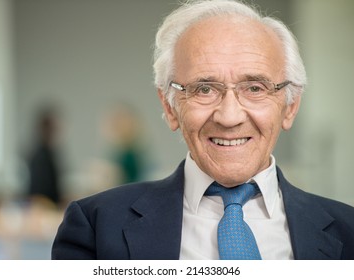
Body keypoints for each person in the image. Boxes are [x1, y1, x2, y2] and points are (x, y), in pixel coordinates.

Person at [52, 0, 354, 260]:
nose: (229, 116)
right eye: (205, 88)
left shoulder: (348, 231)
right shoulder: (96, 227)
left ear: (290, 106)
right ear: (170, 107)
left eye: (254, 87)